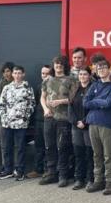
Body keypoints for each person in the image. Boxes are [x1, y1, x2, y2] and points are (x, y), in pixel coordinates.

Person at [84, 59, 111, 195]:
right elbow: (85, 103)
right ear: (97, 72)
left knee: (108, 155)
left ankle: (110, 182)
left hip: (106, 124)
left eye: (104, 68)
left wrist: (95, 101)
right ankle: (98, 181)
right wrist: (100, 102)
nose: (102, 70)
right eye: (99, 69)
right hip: (92, 122)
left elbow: (109, 103)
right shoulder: (93, 85)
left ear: (110, 70)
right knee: (96, 154)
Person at [40, 55, 77, 187]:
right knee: (49, 146)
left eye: (61, 64)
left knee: (62, 147)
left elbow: (73, 99)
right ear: (53, 66)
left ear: (64, 66)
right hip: (49, 118)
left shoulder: (71, 80)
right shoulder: (47, 80)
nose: (58, 66)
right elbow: (42, 97)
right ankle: (51, 173)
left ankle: (63, 175)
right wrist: (45, 109)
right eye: (56, 64)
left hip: (64, 118)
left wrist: (60, 101)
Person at [0, 65, 36, 181]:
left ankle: (19, 171)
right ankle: (8, 170)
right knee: (7, 147)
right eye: (15, 73)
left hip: (21, 123)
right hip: (7, 123)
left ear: (23, 74)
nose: (17, 75)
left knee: (20, 148)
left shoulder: (28, 88)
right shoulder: (7, 88)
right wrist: (4, 118)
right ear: (12, 75)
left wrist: (25, 117)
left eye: (19, 73)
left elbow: (32, 104)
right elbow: (1, 105)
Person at [70, 67, 94, 190]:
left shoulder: (93, 88)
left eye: (85, 74)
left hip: (88, 126)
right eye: (81, 74)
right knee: (78, 154)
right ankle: (79, 179)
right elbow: (70, 107)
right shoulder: (75, 89)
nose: (83, 76)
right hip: (76, 126)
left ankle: (90, 179)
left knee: (89, 153)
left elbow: (94, 108)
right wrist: (75, 121)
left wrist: (84, 121)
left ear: (89, 76)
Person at [27, 65, 51, 178]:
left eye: (47, 73)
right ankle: (38, 169)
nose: (44, 76)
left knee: (49, 146)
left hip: (50, 119)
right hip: (39, 119)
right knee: (38, 145)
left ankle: (48, 170)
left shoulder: (55, 87)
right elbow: (37, 101)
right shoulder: (38, 86)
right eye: (43, 73)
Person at [0, 61, 15, 173]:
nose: (7, 74)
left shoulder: (20, 83)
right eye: (4, 71)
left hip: (16, 118)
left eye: (9, 71)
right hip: (4, 118)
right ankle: (5, 165)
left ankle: (16, 166)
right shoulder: (0, 85)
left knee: (15, 144)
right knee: (5, 144)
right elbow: (0, 103)